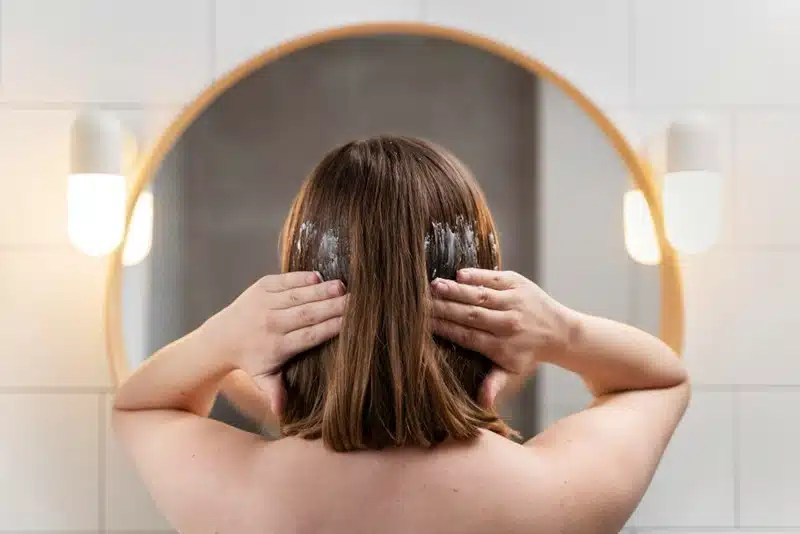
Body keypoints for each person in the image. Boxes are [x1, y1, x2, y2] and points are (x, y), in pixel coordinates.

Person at [113, 136, 690, 534]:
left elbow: (142, 405)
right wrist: (559, 331)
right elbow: (660, 382)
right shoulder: (549, 495)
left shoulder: (246, 497)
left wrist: (225, 336)